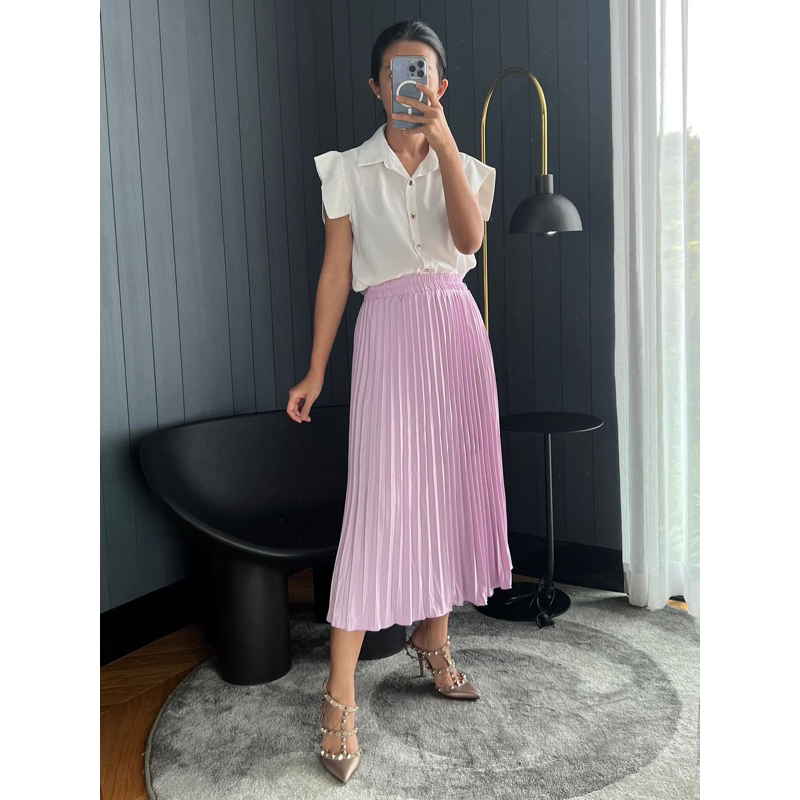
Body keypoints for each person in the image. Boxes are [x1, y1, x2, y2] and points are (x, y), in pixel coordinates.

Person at [286, 20, 513, 783]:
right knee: (380, 505)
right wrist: (316, 370)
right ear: (376, 87)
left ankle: (432, 637)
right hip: (387, 336)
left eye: (421, 72)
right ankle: (339, 694)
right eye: (395, 72)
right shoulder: (347, 171)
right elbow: (334, 273)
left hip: (456, 334)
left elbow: (469, 242)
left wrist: (444, 145)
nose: (408, 83)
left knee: (448, 491)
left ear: (439, 86)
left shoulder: (467, 166)